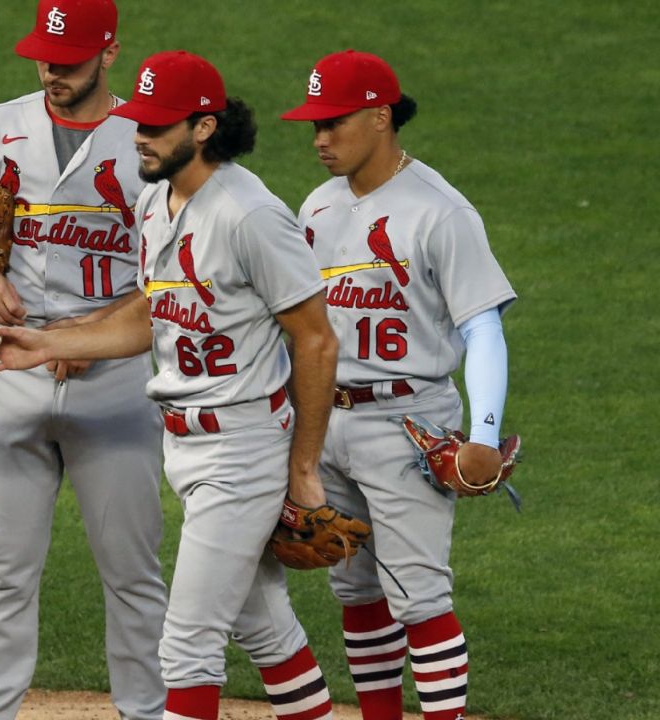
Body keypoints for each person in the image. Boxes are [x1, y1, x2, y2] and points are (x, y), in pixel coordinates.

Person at [0, 51, 341, 720]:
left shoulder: (249, 216)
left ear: (204, 128)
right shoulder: (154, 199)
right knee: (262, 625)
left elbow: (317, 337)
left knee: (185, 647)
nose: (138, 137)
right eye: (136, 122)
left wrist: (302, 467)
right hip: (185, 444)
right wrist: (50, 343)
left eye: (155, 126)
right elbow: (153, 312)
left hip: (243, 447)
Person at [0, 1, 168, 717]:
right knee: (4, 571)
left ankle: (147, 712)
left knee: (132, 570)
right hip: (9, 375)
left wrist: (93, 336)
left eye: (69, 59)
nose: (51, 70)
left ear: (109, 53)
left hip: (115, 380)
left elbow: (173, 272)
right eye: (44, 57)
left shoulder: (146, 141)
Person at [281, 50, 517, 720]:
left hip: (409, 426)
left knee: (420, 596)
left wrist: (485, 433)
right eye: (314, 126)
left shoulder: (440, 213)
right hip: (327, 422)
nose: (321, 139)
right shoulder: (318, 207)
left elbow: (484, 329)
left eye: (335, 123)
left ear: (381, 117)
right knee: (355, 591)